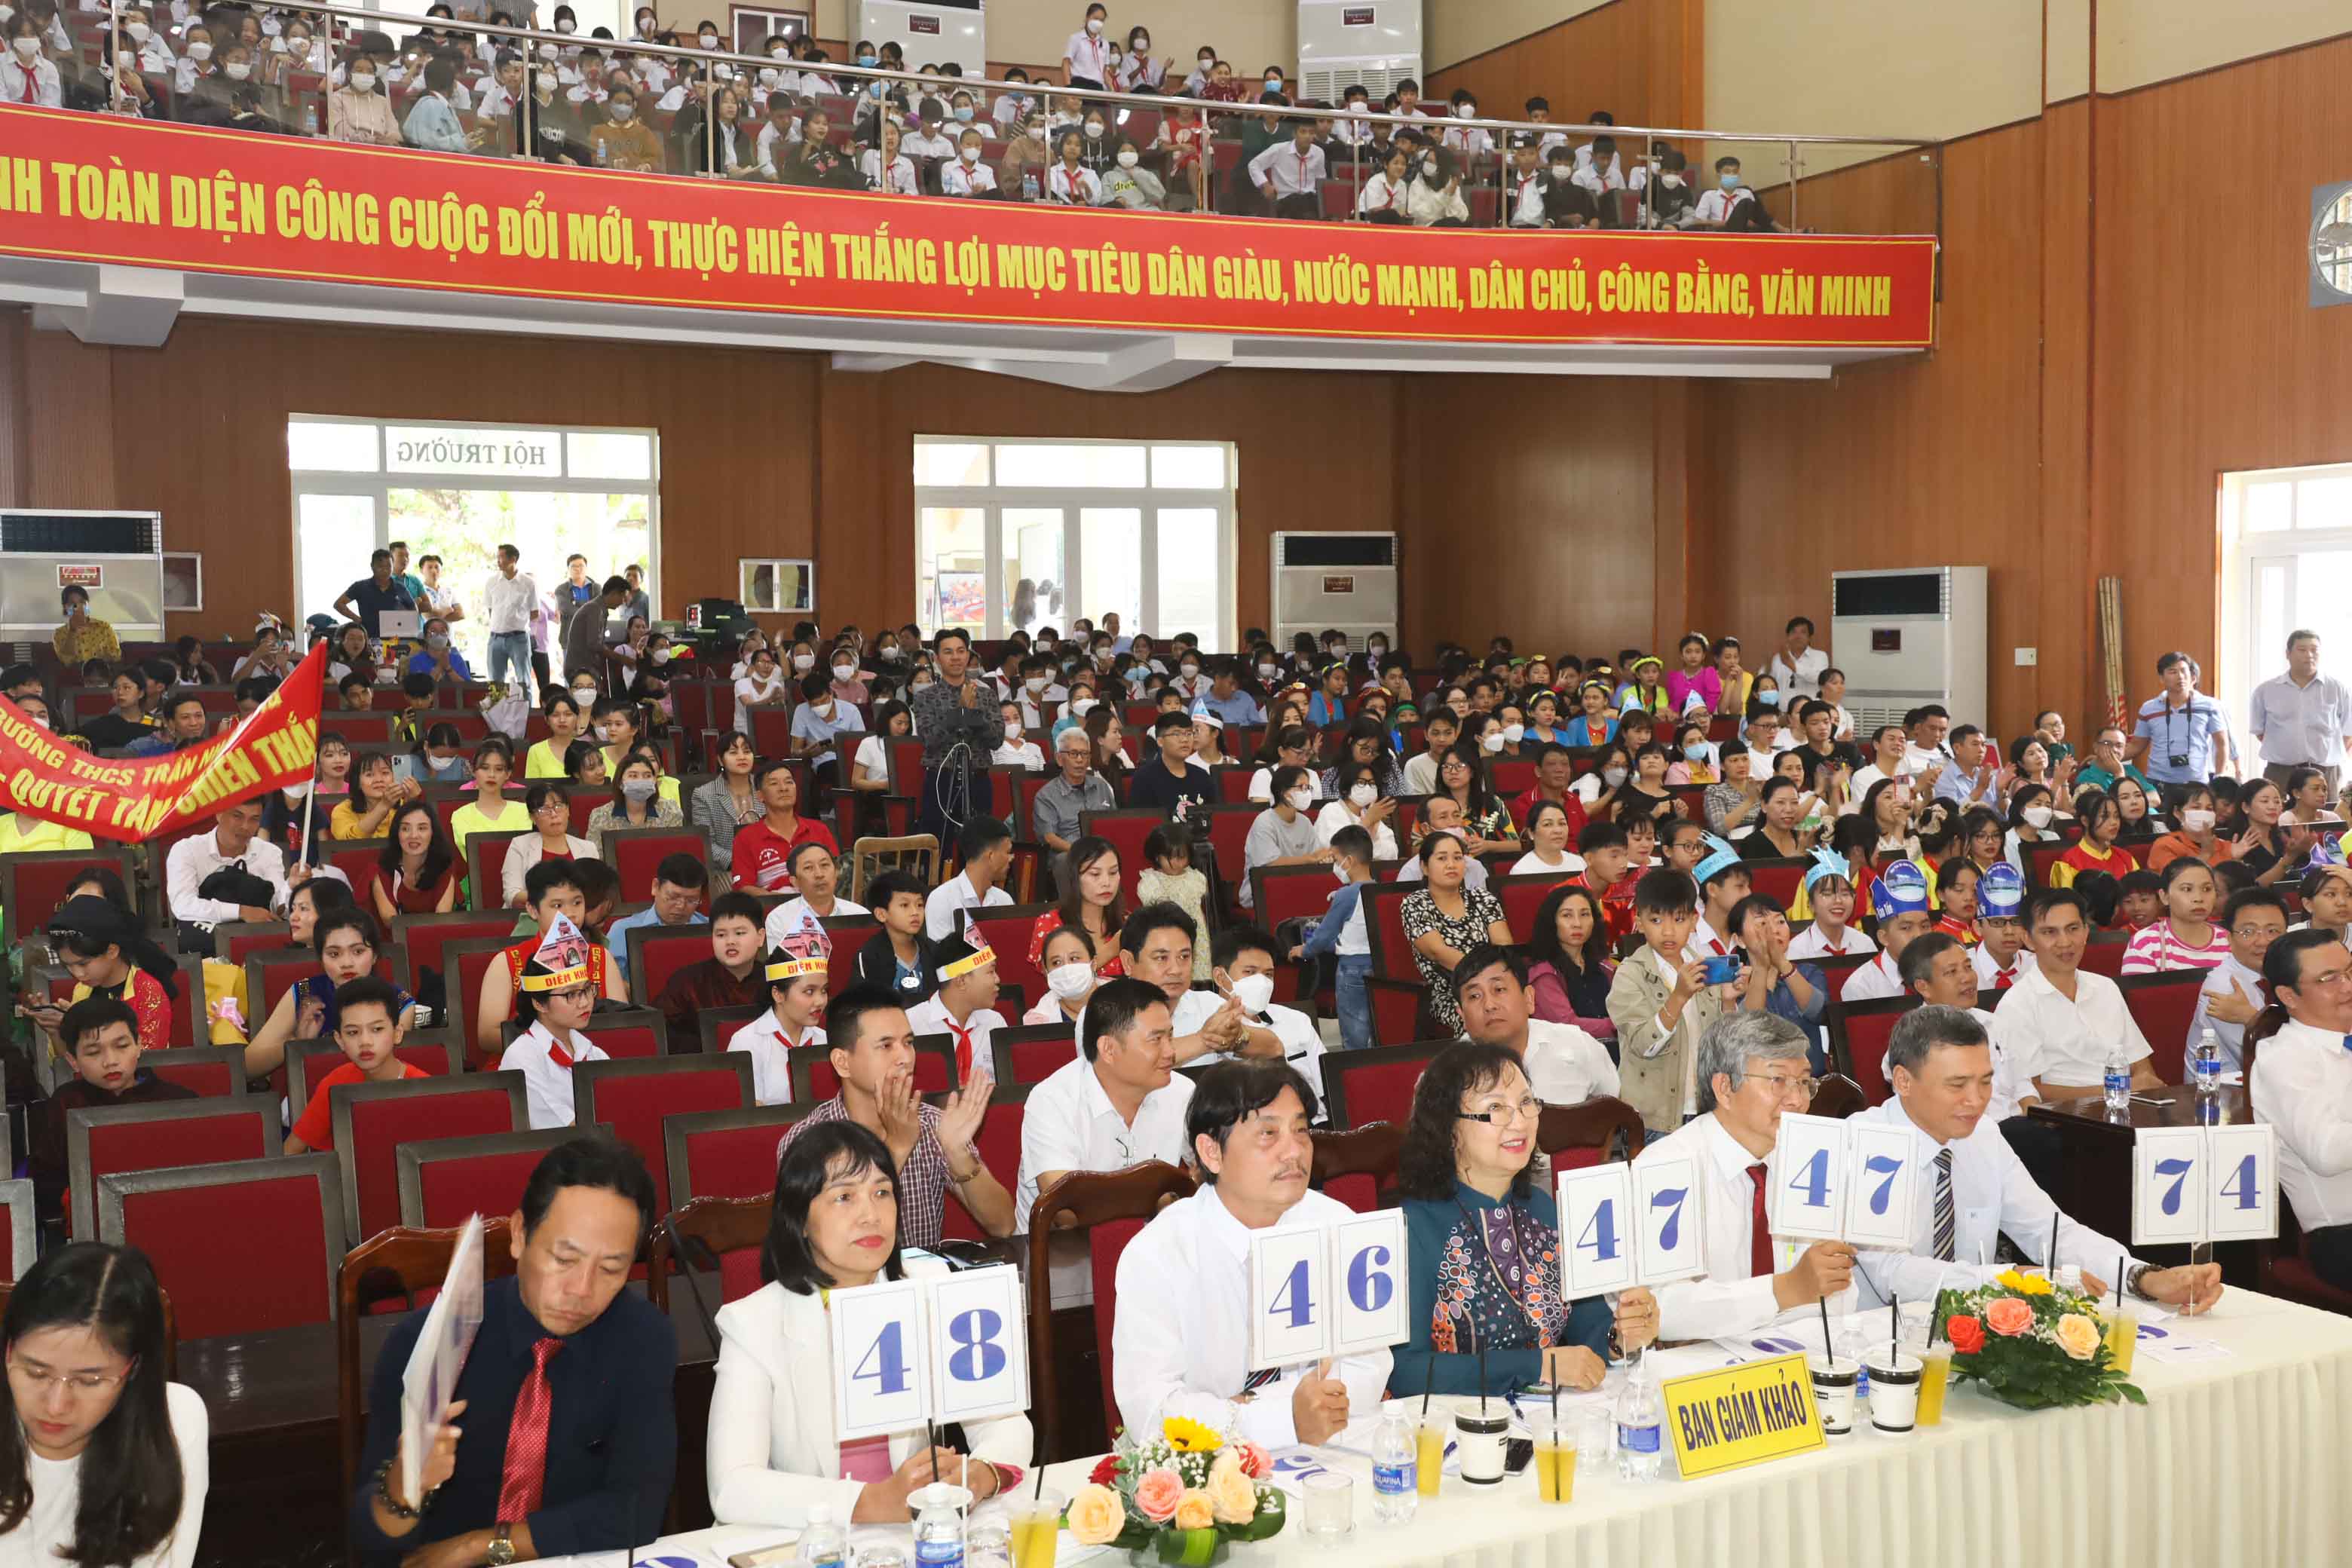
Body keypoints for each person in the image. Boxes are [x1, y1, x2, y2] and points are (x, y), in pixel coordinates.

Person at [351, 1135, 676, 1566]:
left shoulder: (643, 1339)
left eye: (611, 1269)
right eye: (564, 1259)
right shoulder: (425, 1341)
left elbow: (636, 1513)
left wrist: (477, 1546)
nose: (581, 1290)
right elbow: (370, 1543)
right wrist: (403, 1488)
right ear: (520, 1234)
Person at [705, 1119, 1025, 1530]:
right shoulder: (751, 1325)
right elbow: (731, 1487)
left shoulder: (934, 1290)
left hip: (915, 1536)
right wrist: (869, 1502)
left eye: (882, 1192)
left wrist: (983, 1473)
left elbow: (1006, 1423)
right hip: (810, 1543)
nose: (870, 1215)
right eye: (844, 1197)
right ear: (800, 1218)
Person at [1853, 1006, 2222, 1313]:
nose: (1977, 1099)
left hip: (1971, 1324)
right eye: (1957, 1084)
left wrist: (2142, 1277)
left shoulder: (1982, 1134)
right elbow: (1892, 1274)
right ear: (1902, 1081)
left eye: (1986, 1081)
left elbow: (2049, 1230)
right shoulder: (1866, 1142)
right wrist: (2009, 1279)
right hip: (1873, 1336)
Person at [1112, 1061, 1389, 1446]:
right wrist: (1279, 1416)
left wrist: (1245, 1407)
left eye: (1302, 1130)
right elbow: (1152, 1414)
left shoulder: (1337, 1226)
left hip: (1326, 1448)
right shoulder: (1156, 1254)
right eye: (1268, 1133)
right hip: (1204, 1472)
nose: (1294, 1151)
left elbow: (1370, 1367)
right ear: (1211, 1153)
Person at [1392, 1043, 1657, 1395]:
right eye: (1496, 1108)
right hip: (1453, 1433)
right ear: (1448, 1129)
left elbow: (1585, 1325)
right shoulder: (1413, 1228)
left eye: (1526, 1103)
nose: (1518, 1122)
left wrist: (1621, 1336)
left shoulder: (1543, 1210)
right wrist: (1537, 1365)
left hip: (1549, 1422)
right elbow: (1405, 1371)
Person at [1639, 1014, 1857, 1339]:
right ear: (1725, 1088)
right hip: (1701, 1367)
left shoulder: (1811, 1160)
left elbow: (1841, 1294)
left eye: (1804, 1082)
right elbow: (1658, 1309)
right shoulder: (1667, 1168)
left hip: (1798, 1351)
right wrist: (1783, 1291)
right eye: (1778, 1081)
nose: (1798, 1100)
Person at [0, 1241, 208, 1568]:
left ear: (134, 1369)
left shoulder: (177, 1421)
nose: (55, 1406)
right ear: (8, 1351)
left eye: (89, 1381)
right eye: (36, 1372)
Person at [779, 986, 1014, 1249]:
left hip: (921, 1286)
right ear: (842, 1062)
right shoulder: (806, 1140)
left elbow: (1003, 1225)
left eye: (909, 1043)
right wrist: (898, 1146)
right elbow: (830, 1246)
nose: (905, 1058)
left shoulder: (933, 1124)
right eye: (886, 1045)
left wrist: (958, 1153)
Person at [1014, 976, 1197, 1233]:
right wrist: (1163, 1200)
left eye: (1171, 1036)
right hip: (1063, 1255)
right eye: (1156, 1040)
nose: (1170, 1052)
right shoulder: (1052, 1100)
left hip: (1152, 1246)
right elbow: (1065, 1213)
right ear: (1108, 1049)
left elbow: (1210, 1170)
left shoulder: (1181, 1090)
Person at [30, 996, 198, 1221]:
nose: (110, 1061)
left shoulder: (180, 1100)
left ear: (139, 1045)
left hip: (178, 1216)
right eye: (93, 1052)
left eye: (122, 1046)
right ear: (73, 1060)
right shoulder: (66, 1103)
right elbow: (45, 1182)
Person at [1991, 887, 2163, 1098]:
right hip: (2066, 1119)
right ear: (2027, 939)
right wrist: (2115, 1090)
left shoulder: (2106, 988)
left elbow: (2142, 1067)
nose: (2065, 942)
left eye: (2073, 929)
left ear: (2086, 932)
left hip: (2126, 1107)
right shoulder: (2017, 1004)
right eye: (2049, 932)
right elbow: (2028, 1092)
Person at [1609, 868, 1734, 1134]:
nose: (1668, 931)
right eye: (1656, 920)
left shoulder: (1704, 968)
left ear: (1693, 920)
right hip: (1655, 1118)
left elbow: (1721, 1045)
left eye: (1678, 919)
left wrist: (1729, 1003)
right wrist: (1678, 997)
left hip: (1705, 1109)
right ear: (1639, 921)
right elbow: (1644, 1045)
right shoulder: (1630, 974)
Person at [477, 863, 626, 1061]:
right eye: (557, 906)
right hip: (527, 1065)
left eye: (577, 902)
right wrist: (555, 1041)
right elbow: (487, 1035)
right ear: (532, 910)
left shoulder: (601, 957)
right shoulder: (507, 962)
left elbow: (624, 1024)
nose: (571, 913)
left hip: (591, 1062)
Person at [1453, 943, 1619, 1103]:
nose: (1489, 1005)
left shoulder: (1579, 1046)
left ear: (1529, 998)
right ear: (1461, 1015)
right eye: (1474, 996)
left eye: (1499, 989)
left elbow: (1615, 1112)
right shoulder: (1448, 1075)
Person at [283, 977, 430, 1155]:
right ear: (340, 1040)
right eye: (353, 1033)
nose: (365, 1042)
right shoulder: (335, 1084)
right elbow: (290, 1152)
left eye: (377, 1029)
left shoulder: (424, 1089)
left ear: (397, 1034)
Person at [498, 916, 614, 1129]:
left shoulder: (594, 1053)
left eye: (587, 990)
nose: (586, 1002)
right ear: (539, 1004)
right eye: (571, 995)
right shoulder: (522, 1057)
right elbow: (563, 1127)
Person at [1401, 833, 1512, 1034]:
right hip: (1449, 993)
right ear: (1424, 867)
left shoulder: (1482, 897)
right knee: (1481, 1019)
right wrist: (1484, 976)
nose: (1451, 864)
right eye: (1442, 858)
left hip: (1496, 983)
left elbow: (1503, 945)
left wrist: (1495, 983)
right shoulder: (1416, 903)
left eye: (1458, 858)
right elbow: (1438, 952)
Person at [911, 629, 1006, 841]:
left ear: (968, 655)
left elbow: (997, 740)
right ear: (937, 658)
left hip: (978, 778)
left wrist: (972, 715)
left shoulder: (985, 695)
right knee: (939, 845)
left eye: (961, 651)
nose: (955, 657)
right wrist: (959, 713)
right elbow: (930, 740)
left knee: (979, 847)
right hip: (941, 779)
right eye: (948, 652)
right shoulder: (925, 697)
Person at [164, 799, 290, 950]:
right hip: (204, 944)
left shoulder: (269, 852)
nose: (245, 827)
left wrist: (291, 889)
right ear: (219, 813)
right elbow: (183, 905)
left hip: (257, 942)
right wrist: (241, 912)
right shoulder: (186, 850)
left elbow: (276, 908)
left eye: (254, 819)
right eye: (237, 816)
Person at [652, 893, 767, 1056]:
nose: (730, 941)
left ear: (760, 937)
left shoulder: (774, 982)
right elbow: (659, 1035)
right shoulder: (687, 983)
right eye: (721, 935)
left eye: (740, 933)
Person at [2189, 887, 2286, 1075]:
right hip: (2221, 1094)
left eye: (2272, 931)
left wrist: (2251, 1016)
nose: (2262, 941)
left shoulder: (2289, 972)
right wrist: (2253, 1018)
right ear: (2229, 939)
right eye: (2248, 932)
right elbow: (2266, 1060)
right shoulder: (2223, 987)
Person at [2251, 629, 2352, 792]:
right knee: (2278, 815)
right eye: (2302, 650)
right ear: (2288, 654)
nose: (2309, 655)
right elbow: (2260, 732)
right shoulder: (2266, 690)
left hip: (2325, 771)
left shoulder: (2337, 689)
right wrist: (2288, 752)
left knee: (2326, 816)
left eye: (2314, 650)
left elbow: (2348, 733)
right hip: (2281, 772)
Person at [730, 761, 839, 893]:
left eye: (789, 782)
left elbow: (837, 873)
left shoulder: (819, 829)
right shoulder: (746, 838)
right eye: (774, 784)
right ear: (760, 796)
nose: (784, 788)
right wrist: (780, 903)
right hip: (774, 909)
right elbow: (743, 888)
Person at [1838, 860, 1934, 1003]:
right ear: (1883, 938)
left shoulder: (1943, 972)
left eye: (1925, 926)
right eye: (1906, 928)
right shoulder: (1861, 987)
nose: (1919, 935)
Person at [2120, 857, 2228, 973]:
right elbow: (2139, 992)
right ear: (2164, 896)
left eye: (2207, 889)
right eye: (2187, 889)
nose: (2199, 898)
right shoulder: (2145, 943)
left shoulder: (2230, 942)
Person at [853, 871, 939, 1006]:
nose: (915, 912)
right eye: (905, 905)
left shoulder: (933, 950)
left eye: (919, 905)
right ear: (881, 914)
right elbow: (863, 1007)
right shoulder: (869, 956)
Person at [502, 782, 592, 908]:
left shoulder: (588, 848)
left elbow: (594, 892)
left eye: (558, 806)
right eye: (543, 810)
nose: (554, 815)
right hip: (532, 918)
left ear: (568, 811)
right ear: (532, 817)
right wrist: (555, 898)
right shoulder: (520, 845)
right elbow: (512, 895)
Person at [923, 816, 1012, 938]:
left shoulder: (1004, 900)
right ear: (991, 856)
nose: (1011, 858)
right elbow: (941, 955)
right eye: (1008, 852)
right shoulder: (942, 900)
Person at [51, 584, 119, 668]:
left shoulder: (104, 627)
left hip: (102, 674)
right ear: (65, 607)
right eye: (73, 604)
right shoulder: (60, 633)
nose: (78, 607)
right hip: (75, 677)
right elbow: (67, 662)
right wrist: (72, 631)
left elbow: (116, 657)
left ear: (87, 605)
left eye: (82, 602)